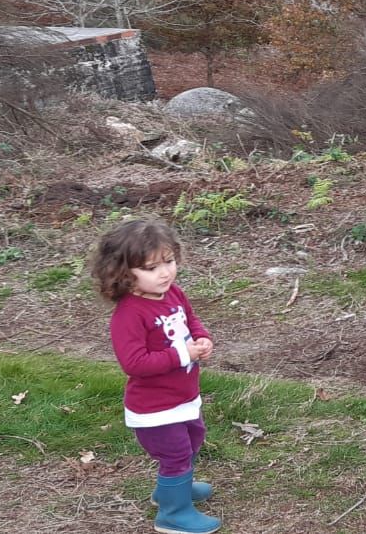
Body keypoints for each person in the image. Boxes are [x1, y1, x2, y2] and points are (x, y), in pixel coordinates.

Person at [92, 219, 221, 534]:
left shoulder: (173, 293)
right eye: (151, 268)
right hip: (154, 407)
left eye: (169, 261)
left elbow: (191, 321)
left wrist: (201, 339)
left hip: (183, 395)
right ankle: (173, 514)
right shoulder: (129, 314)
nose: (165, 272)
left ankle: (174, 488)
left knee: (192, 440)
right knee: (175, 453)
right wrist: (182, 355)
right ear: (124, 274)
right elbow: (134, 363)